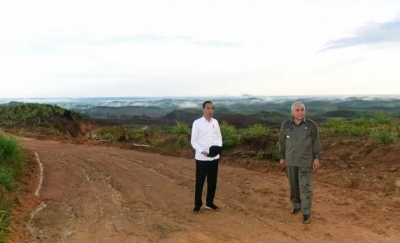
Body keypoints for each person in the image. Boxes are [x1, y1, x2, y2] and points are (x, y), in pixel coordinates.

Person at [278, 102, 322, 224]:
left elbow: (316, 142)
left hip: (306, 161)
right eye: (297, 110)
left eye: (302, 110)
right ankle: (296, 206)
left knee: (305, 186)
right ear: (292, 112)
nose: (300, 112)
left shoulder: (311, 125)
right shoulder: (286, 125)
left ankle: (306, 212)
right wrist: (281, 156)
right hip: (290, 160)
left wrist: (317, 157)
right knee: (294, 186)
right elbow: (282, 142)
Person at [190, 101, 223, 213]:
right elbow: (193, 141)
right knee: (200, 182)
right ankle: (198, 204)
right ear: (203, 109)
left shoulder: (215, 122)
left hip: (214, 157)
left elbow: (219, 138)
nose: (210, 110)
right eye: (208, 108)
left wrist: (217, 149)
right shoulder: (197, 123)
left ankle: (209, 203)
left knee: (212, 181)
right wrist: (201, 151)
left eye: (212, 108)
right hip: (202, 158)